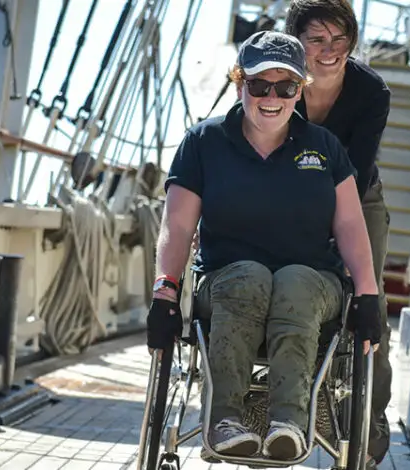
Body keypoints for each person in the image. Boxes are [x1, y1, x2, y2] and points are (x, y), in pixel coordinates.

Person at [147, 30, 382, 462]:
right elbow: (177, 226)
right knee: (248, 275)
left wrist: (368, 295)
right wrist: (165, 291)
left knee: (295, 281)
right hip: (226, 280)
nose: (271, 97)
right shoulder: (204, 143)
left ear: (300, 91)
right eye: (259, 85)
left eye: (286, 87)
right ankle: (225, 421)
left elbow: (350, 223)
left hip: (313, 282)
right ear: (240, 84)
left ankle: (289, 422)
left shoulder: (325, 147)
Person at [285, 0, 394, 465]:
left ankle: (369, 431)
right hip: (287, 191)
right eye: (316, 39)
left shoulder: (372, 91)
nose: (330, 51)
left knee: (370, 301)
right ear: (297, 42)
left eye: (341, 38)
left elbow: (358, 168)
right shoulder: (276, 79)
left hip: (357, 191)